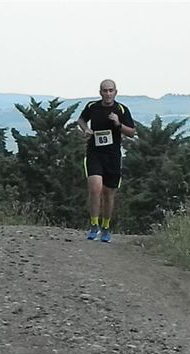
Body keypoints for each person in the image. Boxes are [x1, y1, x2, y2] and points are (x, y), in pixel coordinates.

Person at [76, 79, 135, 243]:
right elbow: (81, 120)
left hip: (113, 156)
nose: (108, 93)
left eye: (111, 90)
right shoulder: (92, 107)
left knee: (109, 194)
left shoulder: (121, 109)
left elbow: (131, 132)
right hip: (94, 153)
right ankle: (94, 225)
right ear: (100, 92)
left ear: (116, 92)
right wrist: (86, 129)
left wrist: (118, 123)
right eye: (105, 90)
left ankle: (106, 227)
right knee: (95, 189)